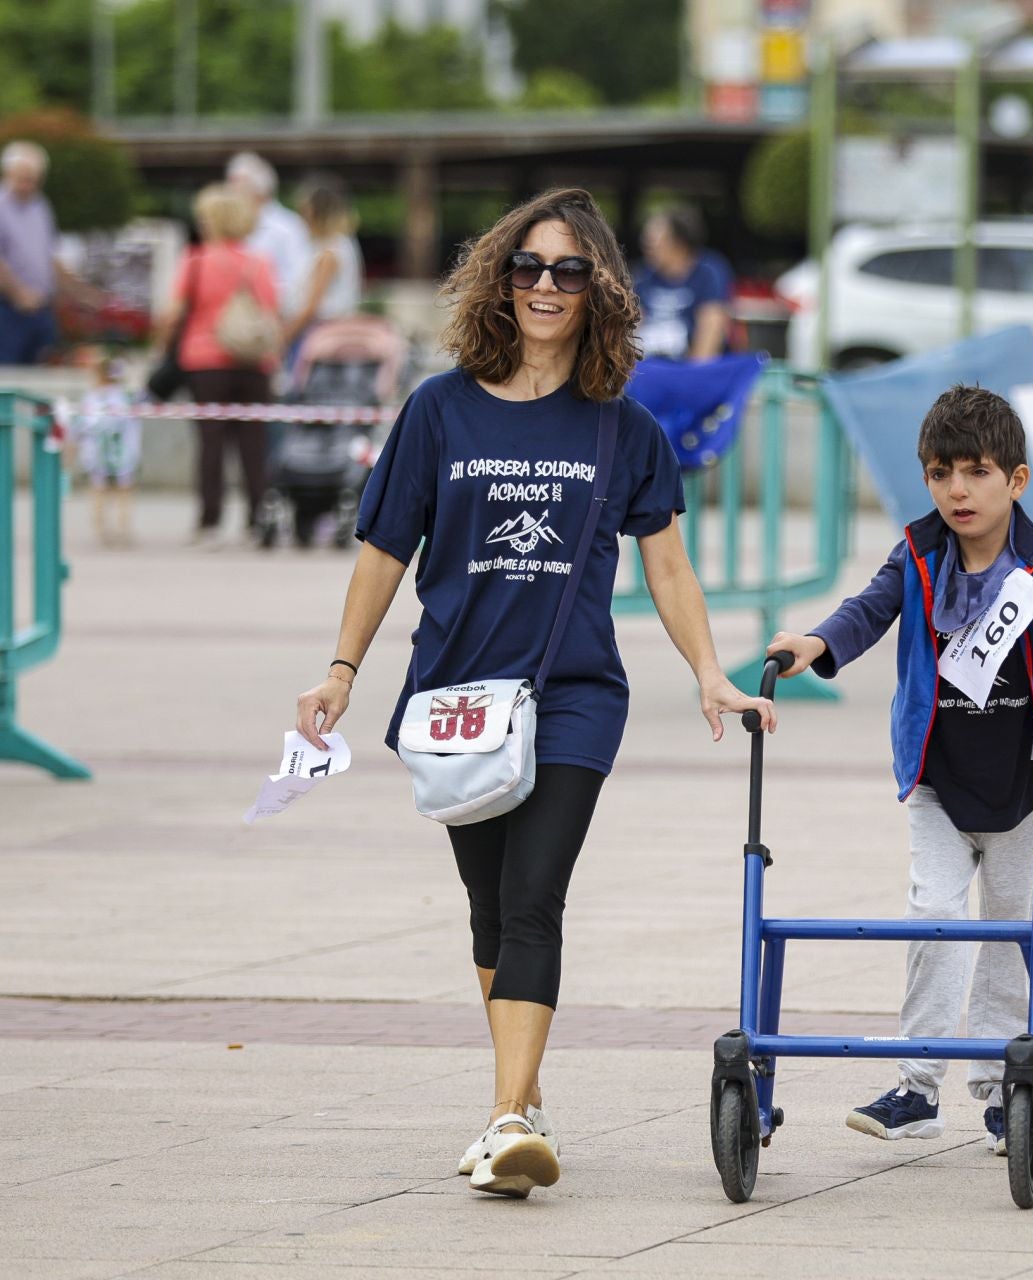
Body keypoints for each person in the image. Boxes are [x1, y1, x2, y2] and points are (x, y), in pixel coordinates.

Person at [292, 188, 772, 1199]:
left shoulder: (623, 427)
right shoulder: (439, 408)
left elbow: (670, 570)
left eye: (567, 271)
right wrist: (341, 668)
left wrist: (710, 672)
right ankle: (525, 1095)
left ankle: (509, 1116)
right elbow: (384, 552)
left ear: (598, 287)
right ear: (499, 282)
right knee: (484, 908)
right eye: (528, 268)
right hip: (457, 693)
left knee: (530, 897)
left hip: (574, 694)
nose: (545, 287)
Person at [763, 385, 1033, 1154]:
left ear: (1015, 481)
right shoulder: (918, 550)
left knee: (1015, 938)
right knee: (934, 920)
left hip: (1021, 781)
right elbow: (870, 608)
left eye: (976, 472)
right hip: (939, 783)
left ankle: (1005, 1085)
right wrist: (816, 643)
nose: (957, 490)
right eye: (942, 473)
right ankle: (917, 1085)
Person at [151, 183, 281, 547]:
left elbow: (173, 313)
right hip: (254, 362)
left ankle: (210, 519)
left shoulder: (195, 260)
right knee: (254, 443)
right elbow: (272, 313)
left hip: (205, 360)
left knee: (211, 443)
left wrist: (160, 347)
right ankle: (259, 518)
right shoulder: (259, 263)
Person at [0, 141, 97, 365]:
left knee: (44, 372)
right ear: (8, 173)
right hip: (7, 310)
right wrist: (19, 294)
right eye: (23, 178)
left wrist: (80, 291)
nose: (28, 184)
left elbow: (49, 256)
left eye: (33, 179)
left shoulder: (40, 206)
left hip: (41, 309)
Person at [632, 206, 732, 361]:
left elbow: (712, 323)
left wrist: (692, 376)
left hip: (688, 368)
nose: (646, 246)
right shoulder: (644, 275)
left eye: (653, 241)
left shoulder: (708, 272)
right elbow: (634, 324)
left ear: (679, 243)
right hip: (649, 367)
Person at [283, 177, 364, 355]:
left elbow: (312, 307)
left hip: (318, 332)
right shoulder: (344, 243)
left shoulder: (328, 253)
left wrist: (285, 337)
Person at [227, 152, 311, 322]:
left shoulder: (288, 226)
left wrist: (270, 306)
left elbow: (300, 275)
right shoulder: (233, 225)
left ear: (259, 189)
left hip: (277, 319)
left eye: (238, 184)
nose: (231, 191)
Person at [70, 346, 140, 548]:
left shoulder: (93, 398)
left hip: (102, 451)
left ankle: (102, 528)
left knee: (99, 489)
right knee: (123, 490)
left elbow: (81, 426)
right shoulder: (125, 397)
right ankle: (121, 528)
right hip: (121, 451)